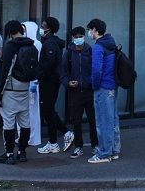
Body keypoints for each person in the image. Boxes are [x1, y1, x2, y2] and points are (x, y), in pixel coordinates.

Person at [0, 20, 37, 164]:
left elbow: (6, 70)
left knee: (8, 121)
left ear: (9, 31)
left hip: (11, 87)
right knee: (24, 121)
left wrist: (0, 92)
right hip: (25, 86)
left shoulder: (10, 46)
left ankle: (9, 154)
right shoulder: (31, 45)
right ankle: (22, 151)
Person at [61, 26, 98, 159]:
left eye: (80, 36)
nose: (78, 39)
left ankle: (95, 145)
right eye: (75, 37)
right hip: (75, 92)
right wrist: (68, 83)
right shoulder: (68, 53)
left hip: (89, 91)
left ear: (84, 36)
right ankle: (78, 146)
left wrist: (92, 83)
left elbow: (95, 70)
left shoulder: (91, 51)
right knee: (76, 120)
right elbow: (63, 73)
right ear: (72, 38)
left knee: (92, 120)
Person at [87, 18, 120, 163]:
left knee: (102, 122)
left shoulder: (99, 47)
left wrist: (94, 85)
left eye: (90, 30)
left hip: (103, 87)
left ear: (95, 29)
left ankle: (104, 153)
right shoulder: (111, 43)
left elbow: (96, 71)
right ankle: (114, 150)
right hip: (112, 86)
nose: (89, 33)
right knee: (112, 120)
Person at [35, 17, 70, 154]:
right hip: (53, 80)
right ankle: (53, 142)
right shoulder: (54, 42)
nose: (41, 28)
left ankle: (65, 132)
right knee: (48, 110)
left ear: (49, 28)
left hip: (48, 81)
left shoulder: (49, 44)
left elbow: (48, 64)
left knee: (47, 110)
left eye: (43, 26)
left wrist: (40, 74)